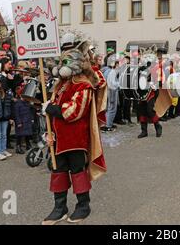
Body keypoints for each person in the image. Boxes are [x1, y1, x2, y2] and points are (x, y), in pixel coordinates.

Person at [43, 40, 107, 225]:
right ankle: (59, 207)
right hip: (58, 138)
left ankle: (83, 206)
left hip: (75, 138)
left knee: (78, 172)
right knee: (58, 171)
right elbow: (53, 108)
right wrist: (49, 126)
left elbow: (74, 112)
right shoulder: (60, 85)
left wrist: (53, 109)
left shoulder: (83, 85)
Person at [13, 85, 34, 154]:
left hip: (27, 120)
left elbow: (30, 111)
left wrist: (32, 118)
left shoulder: (27, 103)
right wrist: (18, 122)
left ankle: (28, 144)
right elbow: (16, 114)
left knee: (27, 133)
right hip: (21, 121)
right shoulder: (17, 103)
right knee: (19, 134)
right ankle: (18, 147)